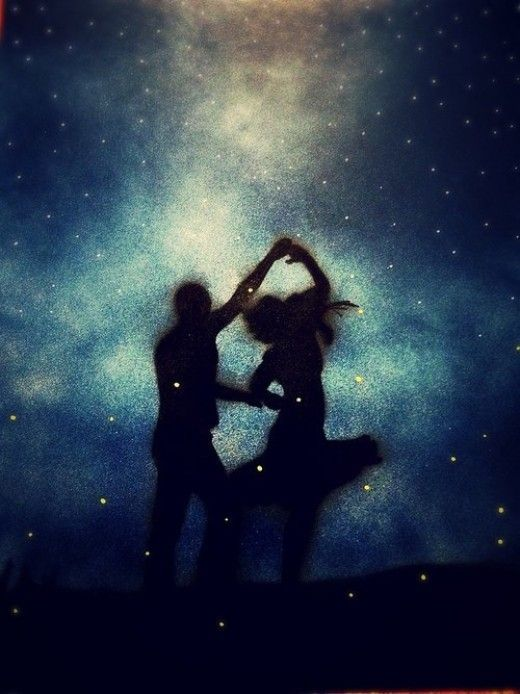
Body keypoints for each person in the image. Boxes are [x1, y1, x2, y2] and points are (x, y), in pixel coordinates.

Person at [144, 238, 292, 591]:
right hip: (183, 441)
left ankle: (175, 590)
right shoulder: (184, 340)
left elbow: (240, 298)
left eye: (203, 302)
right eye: (197, 302)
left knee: (177, 519)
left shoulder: (187, 338)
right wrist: (271, 257)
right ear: (185, 307)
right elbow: (196, 387)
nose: (204, 307)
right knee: (207, 510)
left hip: (182, 440)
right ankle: (198, 587)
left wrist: (270, 258)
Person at [231, 244, 381, 583]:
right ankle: (282, 580)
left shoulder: (286, 344)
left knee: (302, 501)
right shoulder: (284, 347)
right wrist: (304, 258)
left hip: (300, 428)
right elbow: (257, 387)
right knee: (302, 501)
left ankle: (287, 580)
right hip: (296, 430)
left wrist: (271, 398)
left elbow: (256, 387)